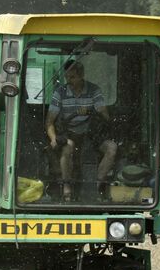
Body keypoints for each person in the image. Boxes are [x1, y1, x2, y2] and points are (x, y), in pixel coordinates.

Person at [46, 59, 117, 201]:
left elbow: (105, 117)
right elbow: (49, 122)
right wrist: (53, 138)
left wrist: (94, 110)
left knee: (112, 148)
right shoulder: (60, 92)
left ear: (81, 75)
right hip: (69, 134)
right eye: (67, 77)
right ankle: (67, 188)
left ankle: (95, 185)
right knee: (68, 147)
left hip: (91, 135)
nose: (69, 81)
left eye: (72, 77)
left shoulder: (94, 90)